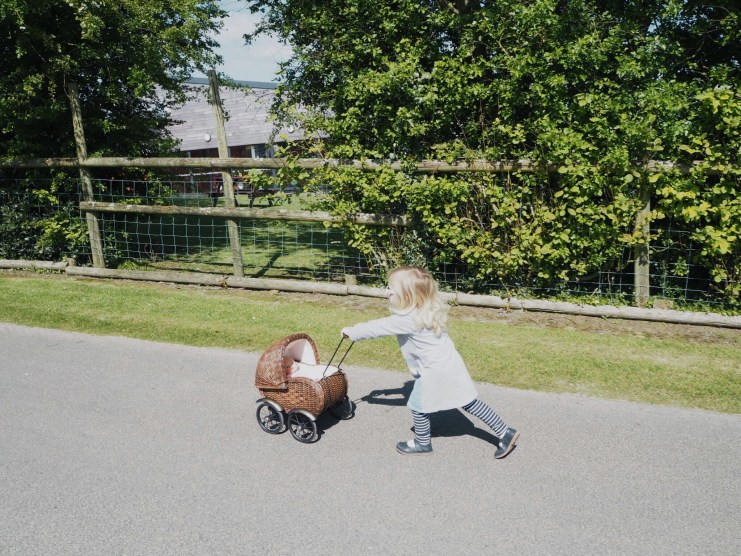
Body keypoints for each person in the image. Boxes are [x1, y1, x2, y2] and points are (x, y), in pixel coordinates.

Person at [341, 266, 519, 457]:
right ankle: (504, 431)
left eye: (390, 288)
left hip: (434, 371)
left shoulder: (407, 319)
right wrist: (385, 392)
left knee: (417, 405)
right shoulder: (427, 310)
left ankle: (422, 442)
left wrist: (352, 332)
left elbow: (377, 327)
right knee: (468, 402)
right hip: (450, 364)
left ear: (407, 296)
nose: (387, 291)